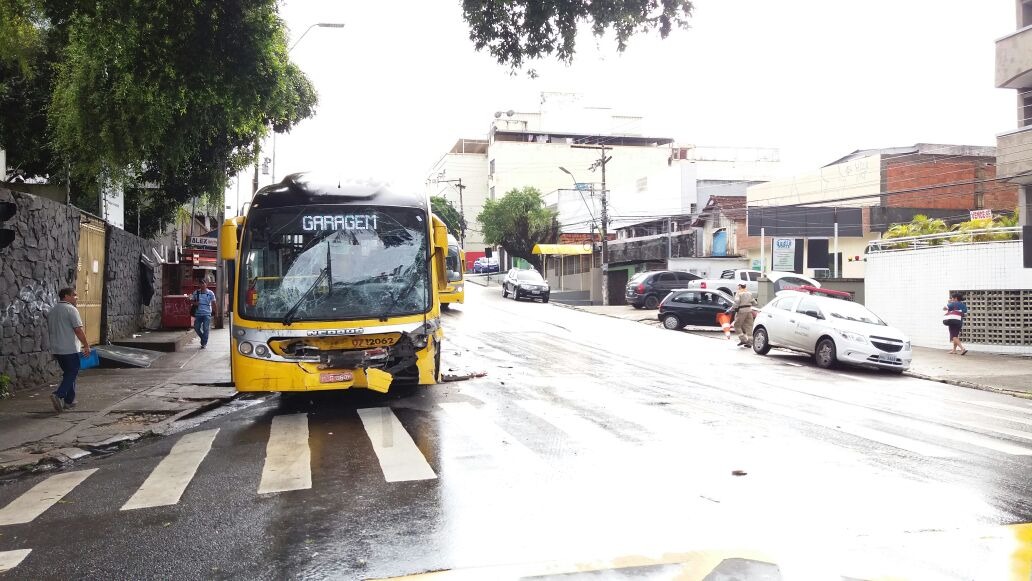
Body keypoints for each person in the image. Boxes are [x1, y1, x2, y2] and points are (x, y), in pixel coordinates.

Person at [47, 287, 90, 413]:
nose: (76, 298)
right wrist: (86, 345)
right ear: (66, 296)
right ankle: (59, 394)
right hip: (69, 348)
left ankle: (69, 400)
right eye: (74, 295)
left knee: (69, 373)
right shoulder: (71, 310)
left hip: (57, 348)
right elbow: (78, 330)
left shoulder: (53, 310)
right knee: (73, 371)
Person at [730, 283, 758, 347]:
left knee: (736, 325)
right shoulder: (749, 293)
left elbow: (736, 302)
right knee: (749, 326)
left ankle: (743, 340)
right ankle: (750, 342)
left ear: (740, 287)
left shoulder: (738, 293)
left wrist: (731, 309)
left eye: (738, 286)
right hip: (749, 311)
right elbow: (755, 303)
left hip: (741, 311)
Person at [191, 279, 216, 349]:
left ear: (206, 284)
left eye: (203, 283)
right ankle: (203, 338)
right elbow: (191, 300)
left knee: (205, 328)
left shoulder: (210, 293)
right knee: (196, 328)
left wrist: (216, 313)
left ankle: (204, 343)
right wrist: (194, 303)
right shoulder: (196, 292)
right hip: (198, 314)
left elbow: (214, 303)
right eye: (200, 284)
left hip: (207, 314)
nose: (202, 285)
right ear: (198, 285)